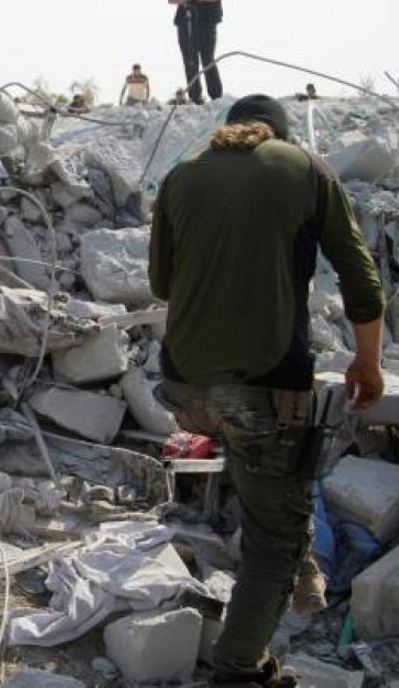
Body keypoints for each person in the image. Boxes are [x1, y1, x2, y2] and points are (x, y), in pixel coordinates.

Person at [149, 94, 384, 688]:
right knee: (273, 540)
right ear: (277, 135)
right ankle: (238, 671)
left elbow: (159, 283)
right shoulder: (306, 169)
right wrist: (368, 365)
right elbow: (361, 280)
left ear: (228, 132)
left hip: (183, 390)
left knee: (273, 488)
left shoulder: (182, 175)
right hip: (263, 392)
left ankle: (297, 560)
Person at [168, 0, 229, 103]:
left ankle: (216, 97)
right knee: (189, 59)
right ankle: (195, 98)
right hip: (185, 20)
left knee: (207, 57)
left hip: (207, 20)